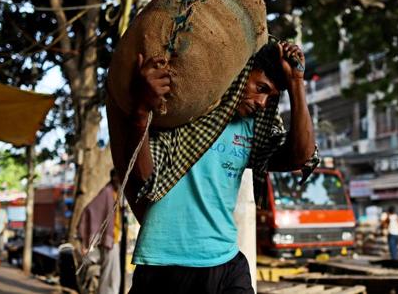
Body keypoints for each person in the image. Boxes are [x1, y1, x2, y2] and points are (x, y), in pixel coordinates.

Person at [115, 40, 317, 294]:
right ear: (239, 74)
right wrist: (143, 109)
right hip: (164, 264)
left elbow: (301, 156)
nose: (263, 102)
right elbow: (145, 176)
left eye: (271, 96)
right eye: (260, 88)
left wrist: (297, 83)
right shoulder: (182, 112)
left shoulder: (253, 127)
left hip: (226, 261)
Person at [78, 169, 122, 294]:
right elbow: (89, 211)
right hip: (109, 240)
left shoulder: (116, 192)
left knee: (113, 275)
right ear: (113, 177)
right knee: (110, 276)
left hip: (114, 239)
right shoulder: (107, 192)